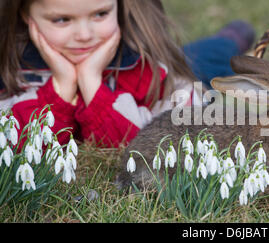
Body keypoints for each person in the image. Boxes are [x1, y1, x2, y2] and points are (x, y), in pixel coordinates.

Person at [0, 0, 255, 148]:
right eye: (62, 20)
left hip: (191, 75)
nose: (85, 35)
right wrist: (61, 88)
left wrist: (91, 84)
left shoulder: (142, 59)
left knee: (204, 59)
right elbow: (17, 143)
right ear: (25, 13)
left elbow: (156, 136)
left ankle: (229, 40)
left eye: (100, 14)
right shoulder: (12, 64)